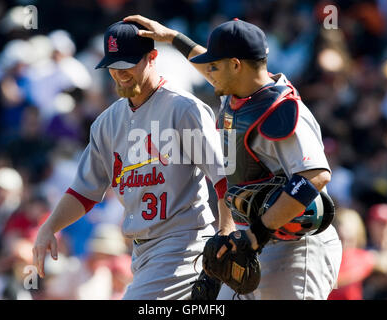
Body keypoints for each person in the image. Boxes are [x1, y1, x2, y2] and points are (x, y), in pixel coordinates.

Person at [124, 15, 343, 300]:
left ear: (236, 65)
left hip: (296, 250)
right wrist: (174, 38)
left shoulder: (281, 110)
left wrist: (257, 234)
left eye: (215, 65)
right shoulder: (238, 93)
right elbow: (206, 61)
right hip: (253, 241)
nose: (208, 70)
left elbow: (315, 174)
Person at [32, 20, 235, 300]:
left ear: (152, 57)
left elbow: (224, 175)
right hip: (141, 252)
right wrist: (49, 227)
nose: (120, 73)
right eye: (113, 65)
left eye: (128, 63)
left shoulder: (183, 109)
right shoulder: (107, 122)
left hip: (183, 243)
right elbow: (84, 192)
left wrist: (226, 229)